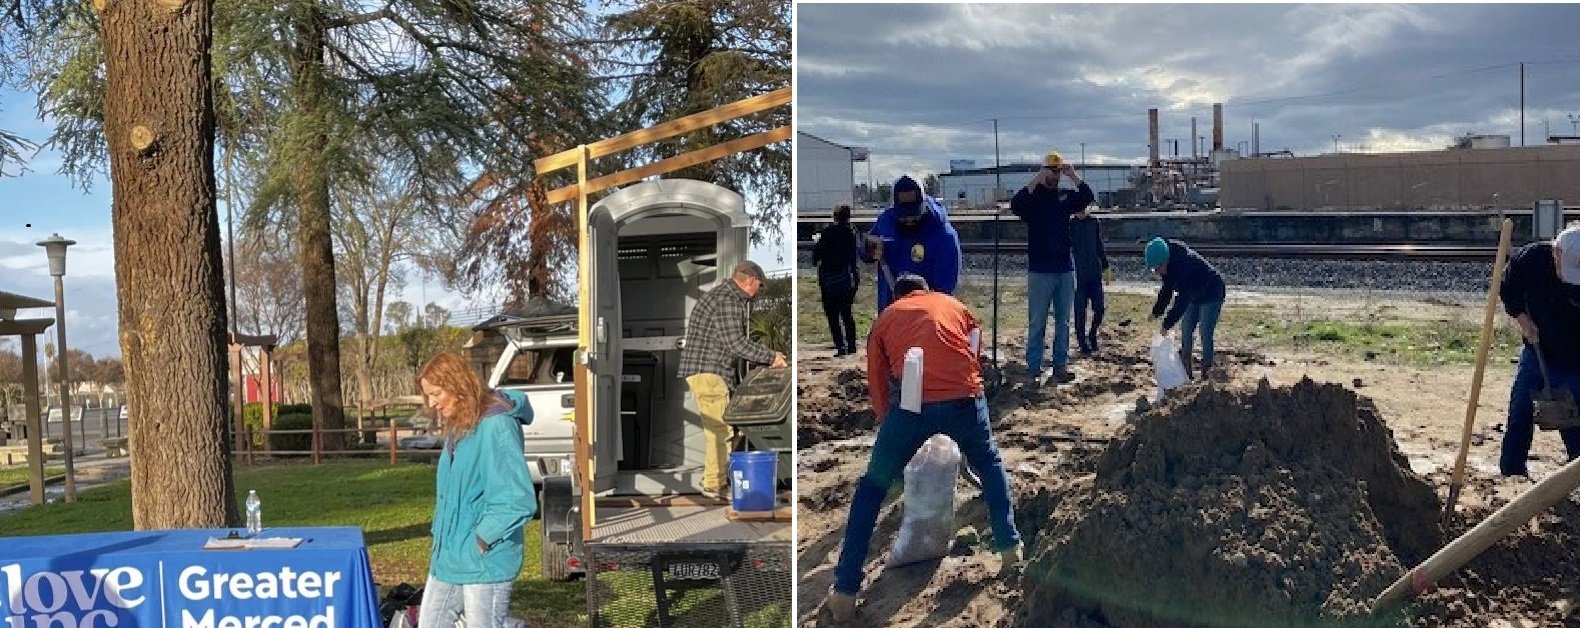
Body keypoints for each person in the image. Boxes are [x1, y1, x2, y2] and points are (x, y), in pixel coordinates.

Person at [825, 274, 1020, 621]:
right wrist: (967, 388)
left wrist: (890, 425)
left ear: (898, 296)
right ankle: (1010, 549)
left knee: (871, 488)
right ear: (927, 290)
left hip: (913, 407)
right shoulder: (955, 306)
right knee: (989, 464)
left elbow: (876, 376)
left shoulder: (887, 317)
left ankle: (845, 591)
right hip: (965, 399)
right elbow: (975, 349)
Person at [415, 351, 536, 628]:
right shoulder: (462, 424)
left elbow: (516, 500)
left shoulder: (496, 425)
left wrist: (481, 541)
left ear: (457, 385)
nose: (431, 403)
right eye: (427, 396)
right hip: (448, 555)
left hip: (484, 559)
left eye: (436, 393)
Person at [679, 260, 788, 499]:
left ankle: (714, 479)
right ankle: (714, 485)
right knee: (721, 430)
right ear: (749, 280)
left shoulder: (722, 296)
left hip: (709, 371)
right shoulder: (728, 300)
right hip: (709, 371)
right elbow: (735, 343)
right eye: (759, 286)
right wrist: (771, 357)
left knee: (724, 428)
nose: (758, 292)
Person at [1498, 224, 1580, 476]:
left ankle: (1574, 475)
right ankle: (1512, 471)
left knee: (1575, 424)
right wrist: (1524, 322)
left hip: (1577, 363)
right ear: (1555, 251)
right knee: (1520, 413)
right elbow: (1508, 288)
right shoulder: (1531, 260)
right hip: (1538, 353)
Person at [1008, 151, 1094, 384]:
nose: (1055, 175)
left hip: (1065, 269)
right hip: (1040, 270)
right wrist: (1037, 178)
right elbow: (1015, 205)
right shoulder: (1033, 199)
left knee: (1063, 321)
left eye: (1058, 171)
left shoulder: (1064, 197)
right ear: (1044, 170)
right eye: (1051, 171)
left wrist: (1073, 175)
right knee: (1037, 321)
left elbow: (1087, 196)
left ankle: (1060, 365)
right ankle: (1034, 366)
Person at [863, 175, 961, 312]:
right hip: (890, 311)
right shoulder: (886, 222)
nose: (909, 220)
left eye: (914, 215)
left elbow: (944, 290)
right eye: (903, 216)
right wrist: (869, 249)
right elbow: (867, 247)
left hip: (924, 317)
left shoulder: (943, 236)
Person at [1144, 237, 1227, 379]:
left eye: (1158, 268)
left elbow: (1181, 302)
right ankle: (1185, 372)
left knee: (1205, 332)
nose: (1157, 273)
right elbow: (1166, 291)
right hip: (1193, 294)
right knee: (1186, 329)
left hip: (1212, 292)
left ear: (1165, 261)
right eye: (1154, 270)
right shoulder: (1167, 266)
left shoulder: (1184, 265)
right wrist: (1156, 312)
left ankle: (1206, 373)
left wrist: (1167, 324)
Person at [814, 203, 862, 355]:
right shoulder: (852, 233)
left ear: (835, 216)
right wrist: (856, 278)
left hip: (828, 278)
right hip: (845, 277)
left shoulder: (828, 232)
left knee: (832, 315)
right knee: (847, 313)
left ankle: (840, 346)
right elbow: (854, 259)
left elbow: (816, 257)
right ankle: (852, 346)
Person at [1070, 205, 1109, 355]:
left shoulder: (1094, 222)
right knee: (1080, 311)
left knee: (1099, 308)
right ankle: (1082, 342)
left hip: (1094, 272)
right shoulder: (1071, 225)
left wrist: (1105, 265)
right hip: (1079, 275)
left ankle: (1092, 334)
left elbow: (1099, 245)